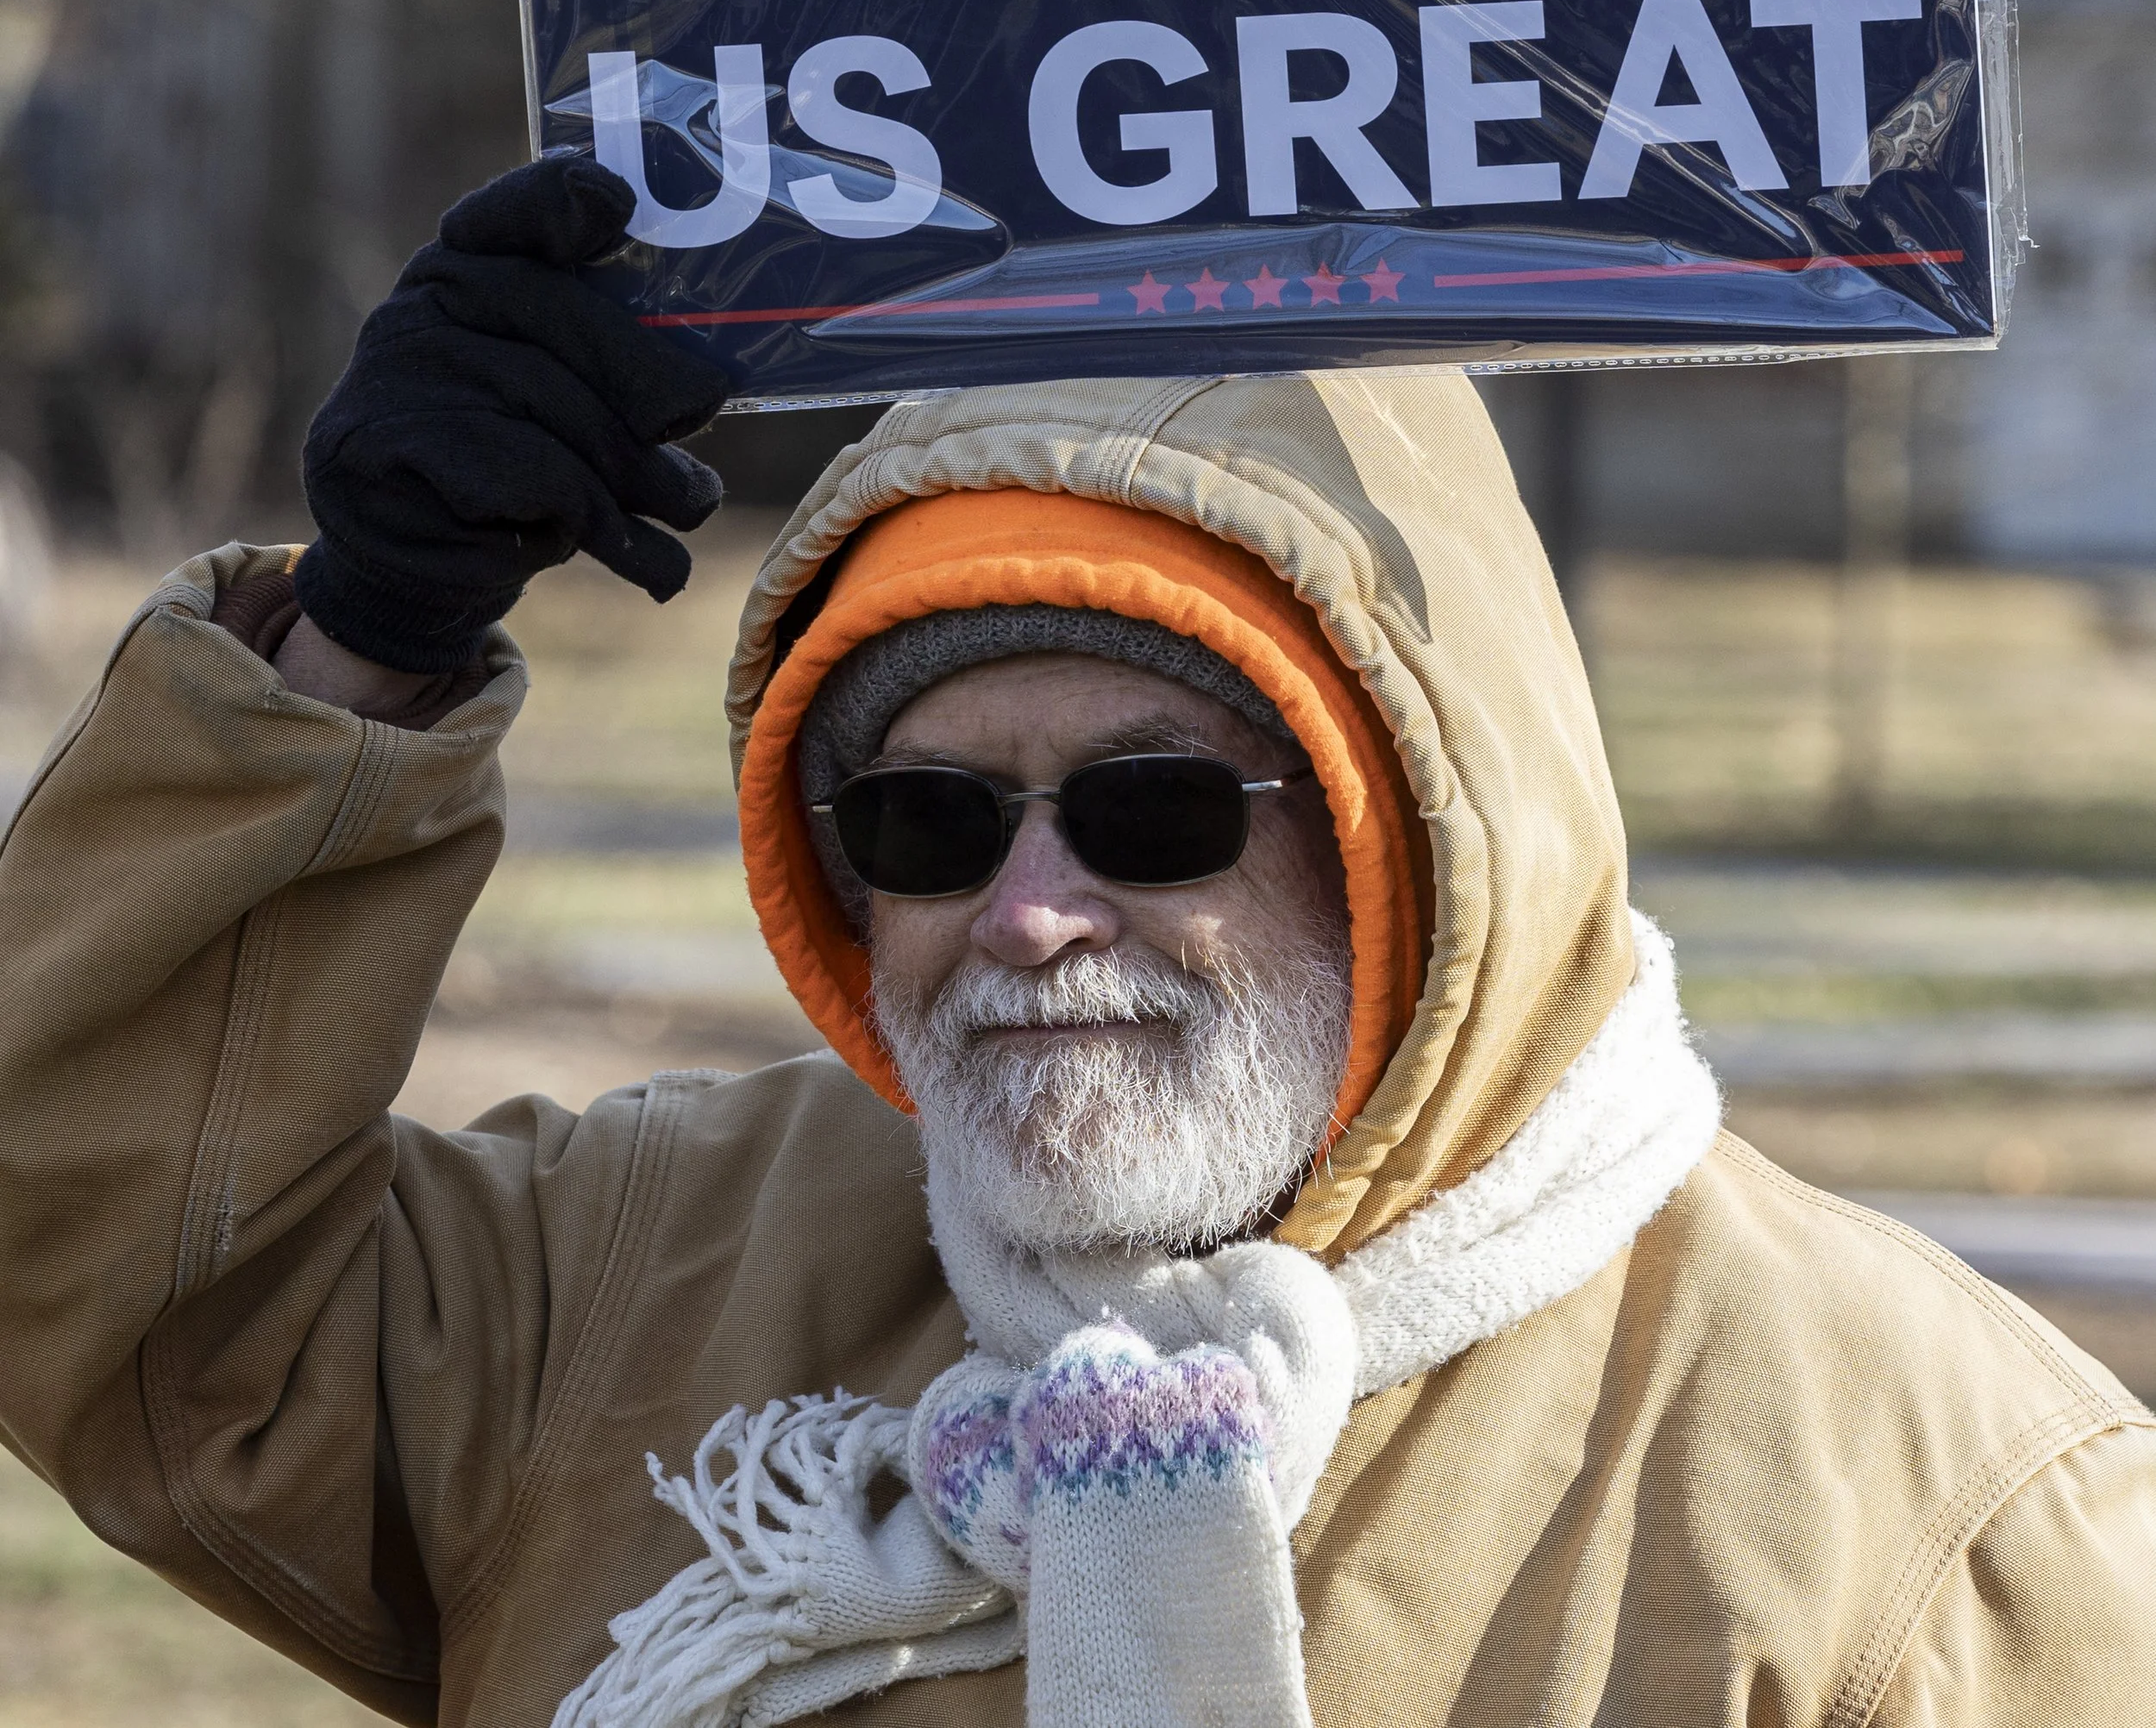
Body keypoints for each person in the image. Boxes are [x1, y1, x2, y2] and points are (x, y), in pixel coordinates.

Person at [0, 155, 2149, 1728]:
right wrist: (365, 641)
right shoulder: (635, 1287)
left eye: (1154, 809)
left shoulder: (1936, 1517)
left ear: (1426, 837)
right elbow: (105, 1268)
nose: (1030, 913)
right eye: (926, 821)